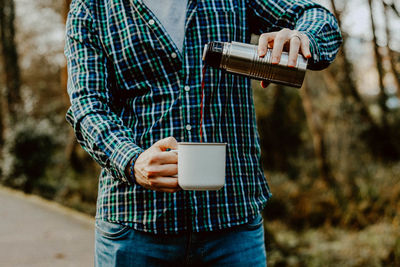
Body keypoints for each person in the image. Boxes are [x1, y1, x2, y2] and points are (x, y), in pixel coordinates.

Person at [65, 0, 342, 266]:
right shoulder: (90, 6)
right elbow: (88, 106)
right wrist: (131, 161)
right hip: (134, 225)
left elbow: (319, 17)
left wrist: (303, 37)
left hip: (233, 223)